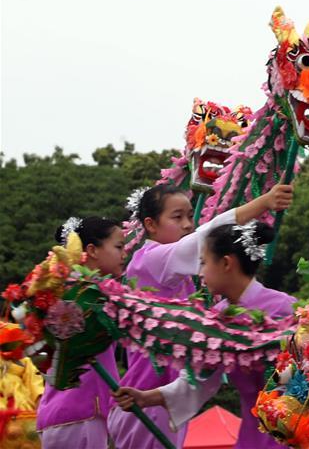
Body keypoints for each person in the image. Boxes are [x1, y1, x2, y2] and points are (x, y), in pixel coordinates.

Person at [108, 183, 292, 448]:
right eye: (177, 216)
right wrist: (147, 397)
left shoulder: (283, 307)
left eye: (204, 263)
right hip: (244, 432)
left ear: (226, 264)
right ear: (149, 224)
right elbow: (199, 380)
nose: (187, 224)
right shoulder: (151, 261)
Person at [36, 217, 126, 448]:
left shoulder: (73, 291)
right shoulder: (85, 296)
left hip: (65, 414)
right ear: (92, 250)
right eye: (118, 247)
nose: (124, 255)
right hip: (80, 413)